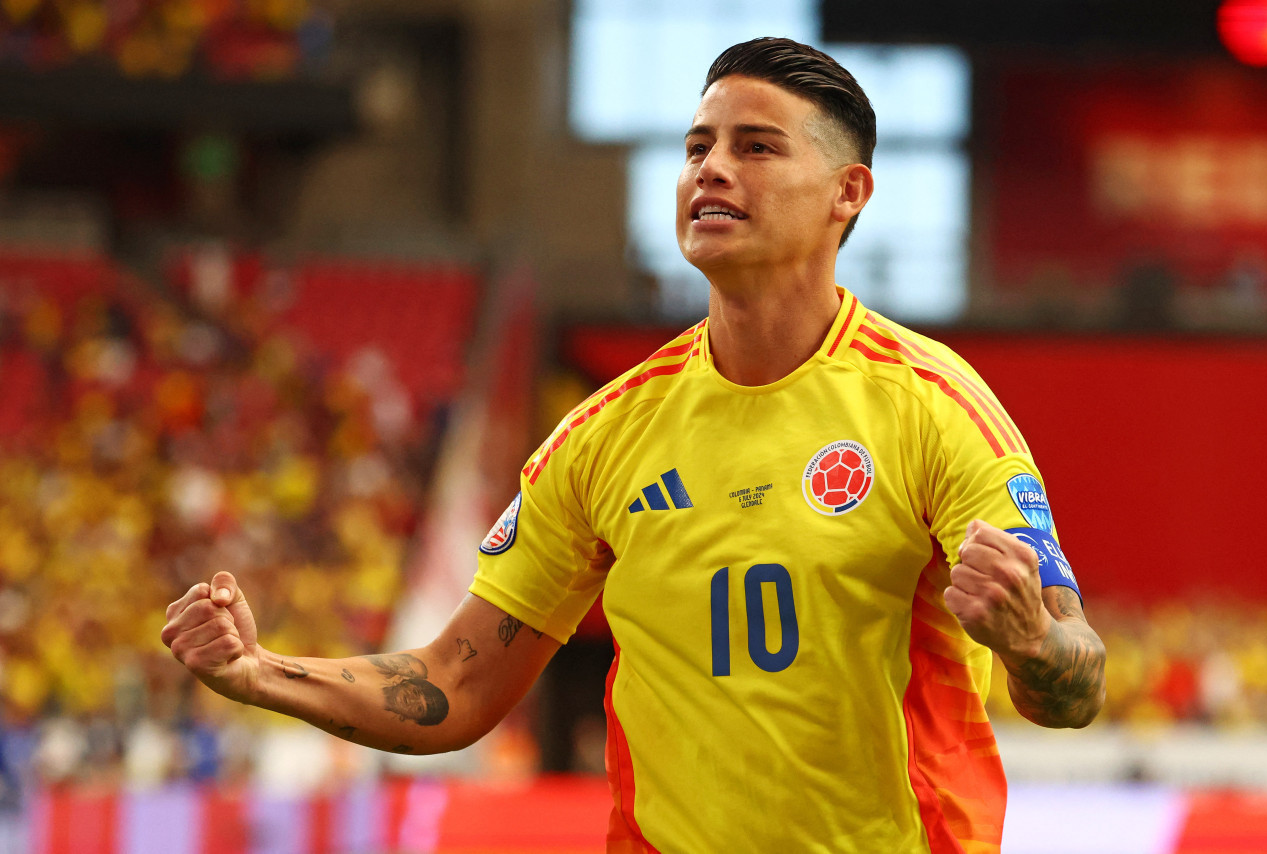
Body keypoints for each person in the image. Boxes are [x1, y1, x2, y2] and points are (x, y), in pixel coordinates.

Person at [163, 37, 1106, 853]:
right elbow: (456, 683)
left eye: (756, 146)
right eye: (698, 146)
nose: (711, 169)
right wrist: (263, 673)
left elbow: (1076, 679)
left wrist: (1027, 639)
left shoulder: (933, 409)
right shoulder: (606, 435)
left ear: (847, 194)